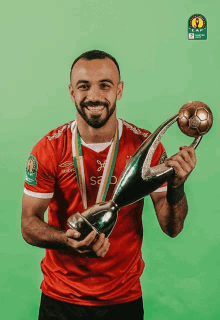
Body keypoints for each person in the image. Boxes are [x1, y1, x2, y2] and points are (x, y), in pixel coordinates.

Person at [21, 50, 197, 320]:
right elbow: (29, 225)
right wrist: (67, 242)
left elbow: (172, 228)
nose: (94, 96)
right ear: (71, 92)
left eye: (105, 85)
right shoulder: (49, 149)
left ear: (119, 89)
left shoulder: (146, 148)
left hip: (123, 301)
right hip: (60, 300)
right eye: (83, 86)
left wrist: (176, 186)